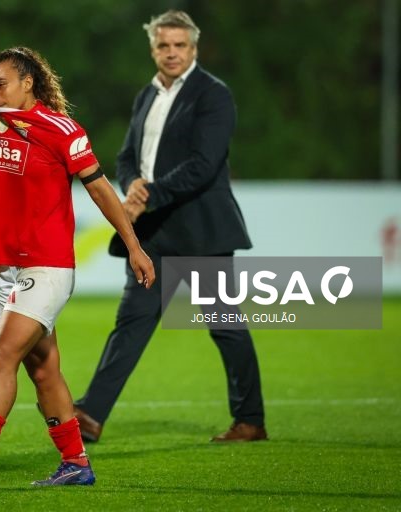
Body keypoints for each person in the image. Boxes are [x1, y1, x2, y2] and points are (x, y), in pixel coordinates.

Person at [0, 46, 155, 488]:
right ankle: (76, 463)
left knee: (2, 358)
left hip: (46, 265)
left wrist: (134, 244)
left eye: (1, 84)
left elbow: (100, 190)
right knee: (43, 370)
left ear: (28, 82)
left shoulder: (61, 129)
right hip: (4, 269)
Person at [73, 10, 268, 444]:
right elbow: (127, 158)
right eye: (164, 45)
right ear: (153, 48)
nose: (172, 52)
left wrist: (147, 195)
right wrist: (133, 185)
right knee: (133, 320)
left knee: (224, 325)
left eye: (180, 45)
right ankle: (90, 414)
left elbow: (204, 165)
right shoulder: (147, 95)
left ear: (193, 48)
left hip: (202, 232)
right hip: (154, 235)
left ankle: (250, 420)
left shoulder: (213, 95)